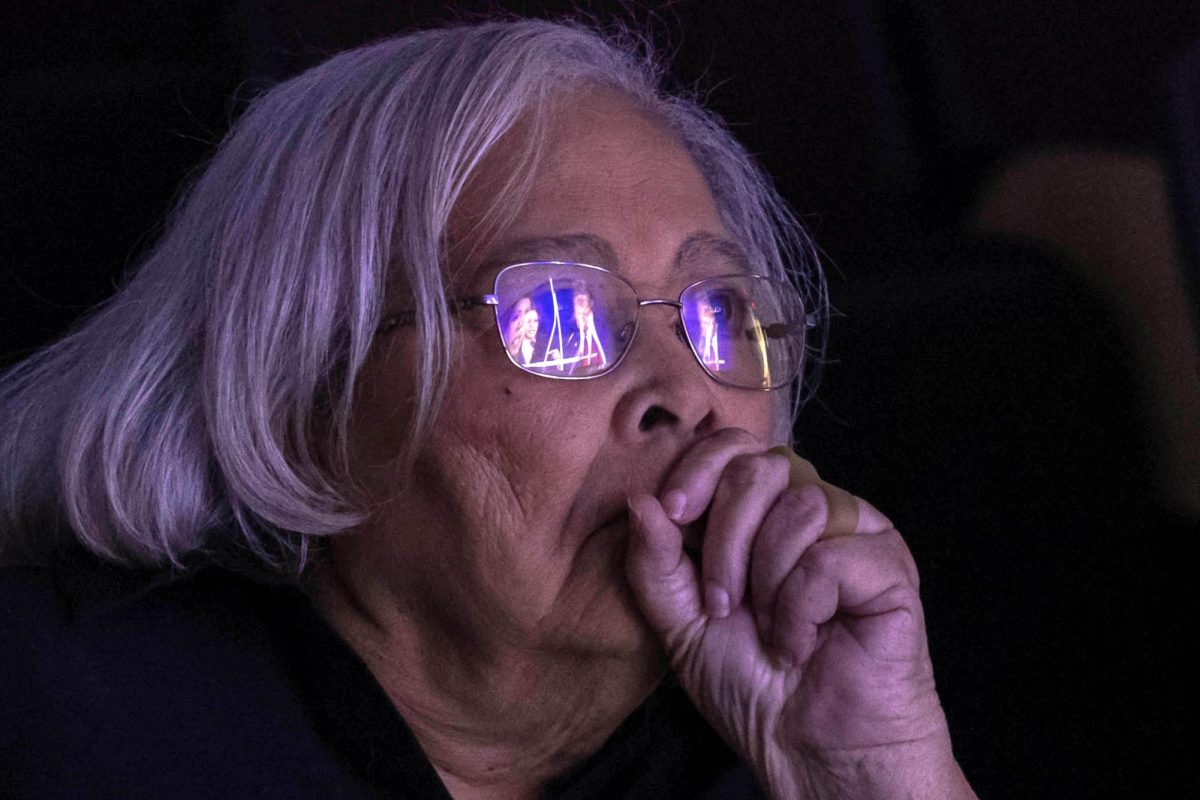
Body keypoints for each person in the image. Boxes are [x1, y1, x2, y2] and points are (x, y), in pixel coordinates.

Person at [0, 18, 978, 800]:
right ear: (303, 393)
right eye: (557, 314)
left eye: (719, 317)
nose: (689, 396)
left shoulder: (795, 720)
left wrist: (868, 773)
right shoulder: (49, 719)